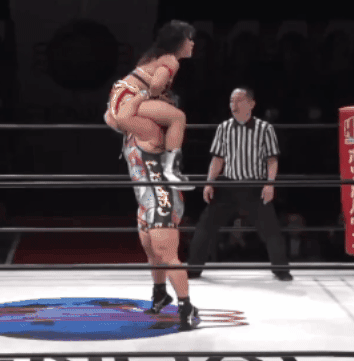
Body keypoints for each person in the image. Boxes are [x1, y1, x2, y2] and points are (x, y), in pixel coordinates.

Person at [104, 105, 200, 331]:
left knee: (166, 254)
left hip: (162, 198)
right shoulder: (129, 130)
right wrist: (121, 98)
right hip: (145, 200)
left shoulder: (150, 130)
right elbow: (110, 116)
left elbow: (117, 114)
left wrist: (136, 98)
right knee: (152, 252)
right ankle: (160, 294)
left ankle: (186, 306)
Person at [187, 87, 292, 281]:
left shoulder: (265, 128)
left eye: (238, 100)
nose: (233, 105)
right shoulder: (224, 128)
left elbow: (272, 160)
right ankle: (193, 269)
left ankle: (281, 269)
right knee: (205, 226)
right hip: (228, 186)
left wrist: (270, 184)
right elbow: (217, 159)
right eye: (231, 101)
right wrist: (209, 183)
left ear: (251, 104)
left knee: (270, 229)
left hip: (254, 186)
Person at [104, 20, 195, 190]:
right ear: (179, 42)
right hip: (128, 99)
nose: (192, 43)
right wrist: (156, 96)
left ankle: (160, 169)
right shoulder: (170, 60)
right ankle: (170, 172)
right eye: (189, 39)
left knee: (161, 128)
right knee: (178, 117)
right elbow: (155, 85)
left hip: (120, 99)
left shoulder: (153, 56)